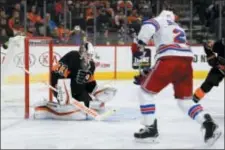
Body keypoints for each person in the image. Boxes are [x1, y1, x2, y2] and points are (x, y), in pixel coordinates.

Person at [131, 10, 222, 145]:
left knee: (145, 93)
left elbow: (149, 27)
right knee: (184, 101)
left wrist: (140, 43)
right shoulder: (178, 28)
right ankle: (208, 123)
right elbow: (175, 56)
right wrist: (150, 73)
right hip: (185, 61)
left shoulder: (160, 20)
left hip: (168, 59)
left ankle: (150, 129)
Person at [34, 41, 117, 120]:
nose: (89, 57)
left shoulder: (91, 65)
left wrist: (97, 92)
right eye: (87, 54)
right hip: (62, 87)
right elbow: (56, 73)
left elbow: (89, 83)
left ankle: (76, 106)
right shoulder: (72, 57)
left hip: (78, 90)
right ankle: (48, 109)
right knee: (68, 103)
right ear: (82, 52)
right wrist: (59, 88)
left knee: (87, 103)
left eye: (91, 55)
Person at [193, 39, 225, 103]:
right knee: (208, 83)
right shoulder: (221, 44)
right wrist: (212, 58)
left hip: (221, 67)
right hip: (219, 68)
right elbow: (207, 45)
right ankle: (194, 99)